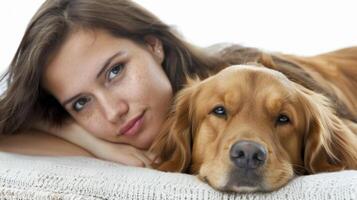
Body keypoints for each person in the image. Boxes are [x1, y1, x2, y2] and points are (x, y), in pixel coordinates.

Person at [0, 0, 229, 167]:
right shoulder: (109, 148)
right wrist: (94, 144)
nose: (113, 112)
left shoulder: (239, 94)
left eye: (114, 72)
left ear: (152, 45)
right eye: (81, 103)